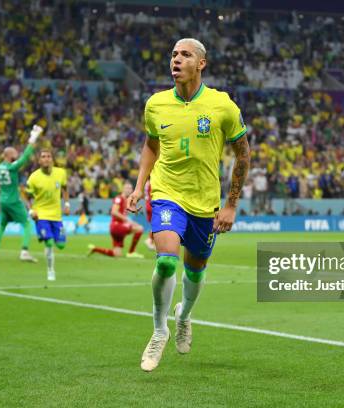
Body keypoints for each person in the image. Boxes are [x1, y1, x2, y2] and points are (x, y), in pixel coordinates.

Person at [126, 38, 250, 372]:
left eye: (185, 55)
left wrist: (231, 204)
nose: (176, 60)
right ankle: (159, 329)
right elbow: (151, 145)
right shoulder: (156, 104)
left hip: (205, 202)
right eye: (173, 55)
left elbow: (243, 154)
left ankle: (184, 316)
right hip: (167, 193)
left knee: (195, 268)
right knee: (166, 261)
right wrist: (140, 187)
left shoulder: (222, 105)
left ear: (201, 63)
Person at [0, 125, 42, 262]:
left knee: (2, 226)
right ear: (8, 155)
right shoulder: (12, 167)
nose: (16, 155)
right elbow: (26, 157)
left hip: (3, 201)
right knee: (27, 224)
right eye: (14, 154)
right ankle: (24, 251)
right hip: (13, 201)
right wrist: (33, 137)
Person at [26, 149, 70, 281]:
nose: (46, 159)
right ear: (39, 161)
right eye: (43, 156)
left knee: (61, 245)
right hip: (41, 215)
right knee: (50, 243)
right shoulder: (34, 177)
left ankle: (48, 248)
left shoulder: (61, 173)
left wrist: (67, 205)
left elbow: (65, 188)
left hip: (56, 216)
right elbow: (27, 197)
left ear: (52, 159)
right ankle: (51, 270)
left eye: (48, 156)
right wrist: (31, 210)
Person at [88, 181, 144, 258]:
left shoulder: (126, 201)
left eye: (130, 188)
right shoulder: (119, 198)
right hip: (117, 226)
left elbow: (124, 214)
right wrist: (127, 220)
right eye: (127, 188)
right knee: (140, 229)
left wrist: (132, 217)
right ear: (123, 189)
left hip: (118, 227)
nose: (129, 190)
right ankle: (131, 252)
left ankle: (95, 249)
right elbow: (114, 212)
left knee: (117, 254)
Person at [144, 180, 155, 250]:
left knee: (154, 224)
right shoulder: (152, 182)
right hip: (152, 205)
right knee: (158, 224)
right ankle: (149, 240)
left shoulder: (147, 183)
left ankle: (152, 242)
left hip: (148, 204)